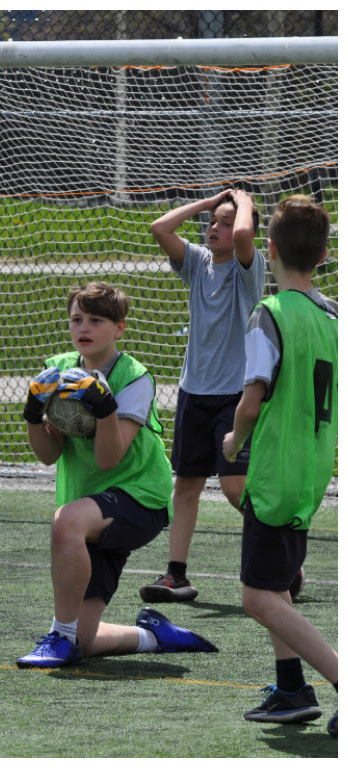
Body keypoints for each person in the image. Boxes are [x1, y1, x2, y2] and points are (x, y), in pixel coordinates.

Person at [16, 282, 218, 669]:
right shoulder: (58, 370)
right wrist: (32, 418)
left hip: (140, 498)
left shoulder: (134, 378)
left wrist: (105, 408)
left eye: (96, 320)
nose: (83, 328)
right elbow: (48, 455)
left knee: (65, 523)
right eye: (77, 319)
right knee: (86, 641)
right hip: (90, 502)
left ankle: (58, 635)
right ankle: (155, 635)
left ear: (119, 328)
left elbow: (109, 459)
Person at [221, 195, 336, 735]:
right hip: (313, 470)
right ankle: (291, 687)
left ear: (268, 250)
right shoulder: (332, 314)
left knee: (258, 596)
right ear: (324, 253)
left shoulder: (269, 314)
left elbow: (251, 399)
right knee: (279, 584)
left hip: (273, 470)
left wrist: (231, 440)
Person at [141, 188, 265, 602]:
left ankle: (282, 554)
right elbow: (160, 227)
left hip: (234, 395)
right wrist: (211, 201)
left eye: (225, 223)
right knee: (187, 485)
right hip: (194, 393)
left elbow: (246, 236)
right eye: (213, 222)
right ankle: (176, 575)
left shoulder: (248, 268)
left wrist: (242, 200)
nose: (215, 228)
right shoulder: (197, 263)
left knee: (234, 489)